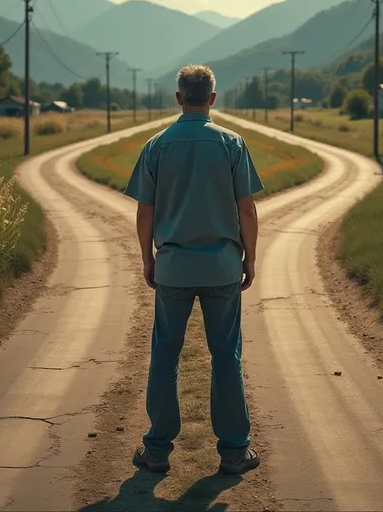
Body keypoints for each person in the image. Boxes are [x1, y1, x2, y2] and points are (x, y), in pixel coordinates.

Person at [124, 64, 264, 475]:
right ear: (213, 99)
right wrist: (250, 257)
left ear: (179, 98)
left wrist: (148, 259)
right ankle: (234, 452)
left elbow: (144, 210)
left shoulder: (157, 145)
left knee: (165, 354)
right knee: (226, 356)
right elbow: (246, 208)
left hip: (173, 269)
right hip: (222, 267)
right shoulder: (232, 143)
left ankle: (157, 451)